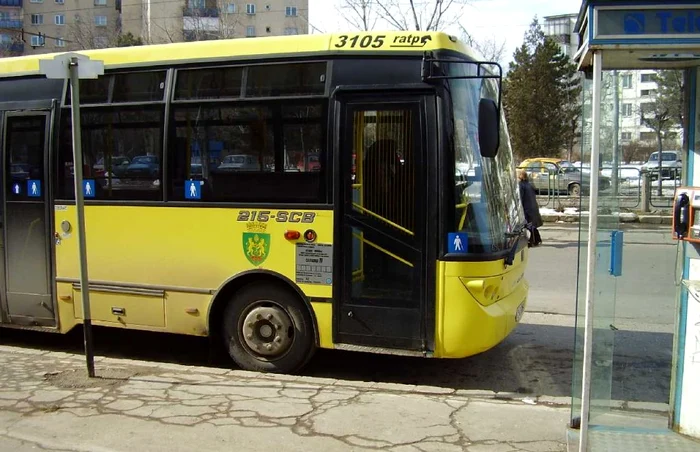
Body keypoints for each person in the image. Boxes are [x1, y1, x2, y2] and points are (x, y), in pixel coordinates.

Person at [518, 169, 543, 247]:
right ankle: (537, 239)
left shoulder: (521, 185)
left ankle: (534, 240)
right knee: (531, 224)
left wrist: (519, 207)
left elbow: (521, 198)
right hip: (533, 207)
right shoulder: (529, 184)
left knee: (529, 225)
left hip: (527, 208)